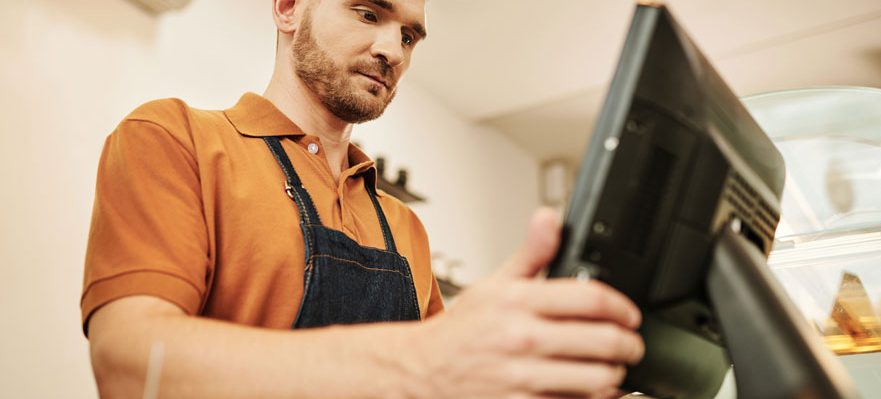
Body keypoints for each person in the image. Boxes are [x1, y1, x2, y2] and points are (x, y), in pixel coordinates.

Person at [81, 0, 645, 397]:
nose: (392, 50)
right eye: (368, 12)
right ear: (287, 7)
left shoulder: (404, 226)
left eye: (409, 35)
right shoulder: (174, 136)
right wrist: (423, 361)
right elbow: (130, 369)